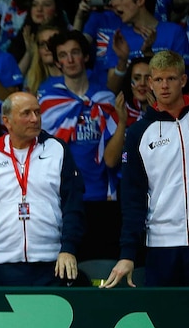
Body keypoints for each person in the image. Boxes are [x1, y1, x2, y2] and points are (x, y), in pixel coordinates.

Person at [102, 50, 189, 288]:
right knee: (163, 320)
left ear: (183, 80)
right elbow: (132, 198)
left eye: (171, 79)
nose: (164, 86)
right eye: (158, 79)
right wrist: (128, 253)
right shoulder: (138, 133)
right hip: (160, 244)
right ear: (150, 84)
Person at [0, 91, 85, 287]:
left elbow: (73, 205)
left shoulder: (57, 149)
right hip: (4, 263)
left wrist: (68, 248)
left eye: (37, 112)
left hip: (53, 262)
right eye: (26, 113)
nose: (35, 119)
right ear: (6, 121)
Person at [38, 29, 125, 201]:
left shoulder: (106, 99)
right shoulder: (48, 102)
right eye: (63, 55)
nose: (69, 60)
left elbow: (116, 153)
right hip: (62, 194)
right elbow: (40, 152)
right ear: (57, 62)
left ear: (85, 57)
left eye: (75, 52)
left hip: (102, 192)